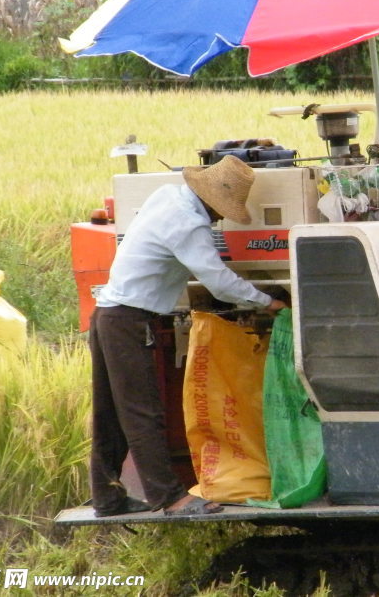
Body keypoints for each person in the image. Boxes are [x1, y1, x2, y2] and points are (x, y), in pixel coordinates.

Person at [89, 155, 286, 517]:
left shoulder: (166, 195)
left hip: (106, 314)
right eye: (221, 211)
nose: (220, 219)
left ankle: (107, 497)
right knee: (142, 413)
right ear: (212, 202)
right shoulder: (190, 224)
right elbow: (220, 283)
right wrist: (269, 303)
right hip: (129, 321)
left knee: (109, 414)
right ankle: (171, 498)